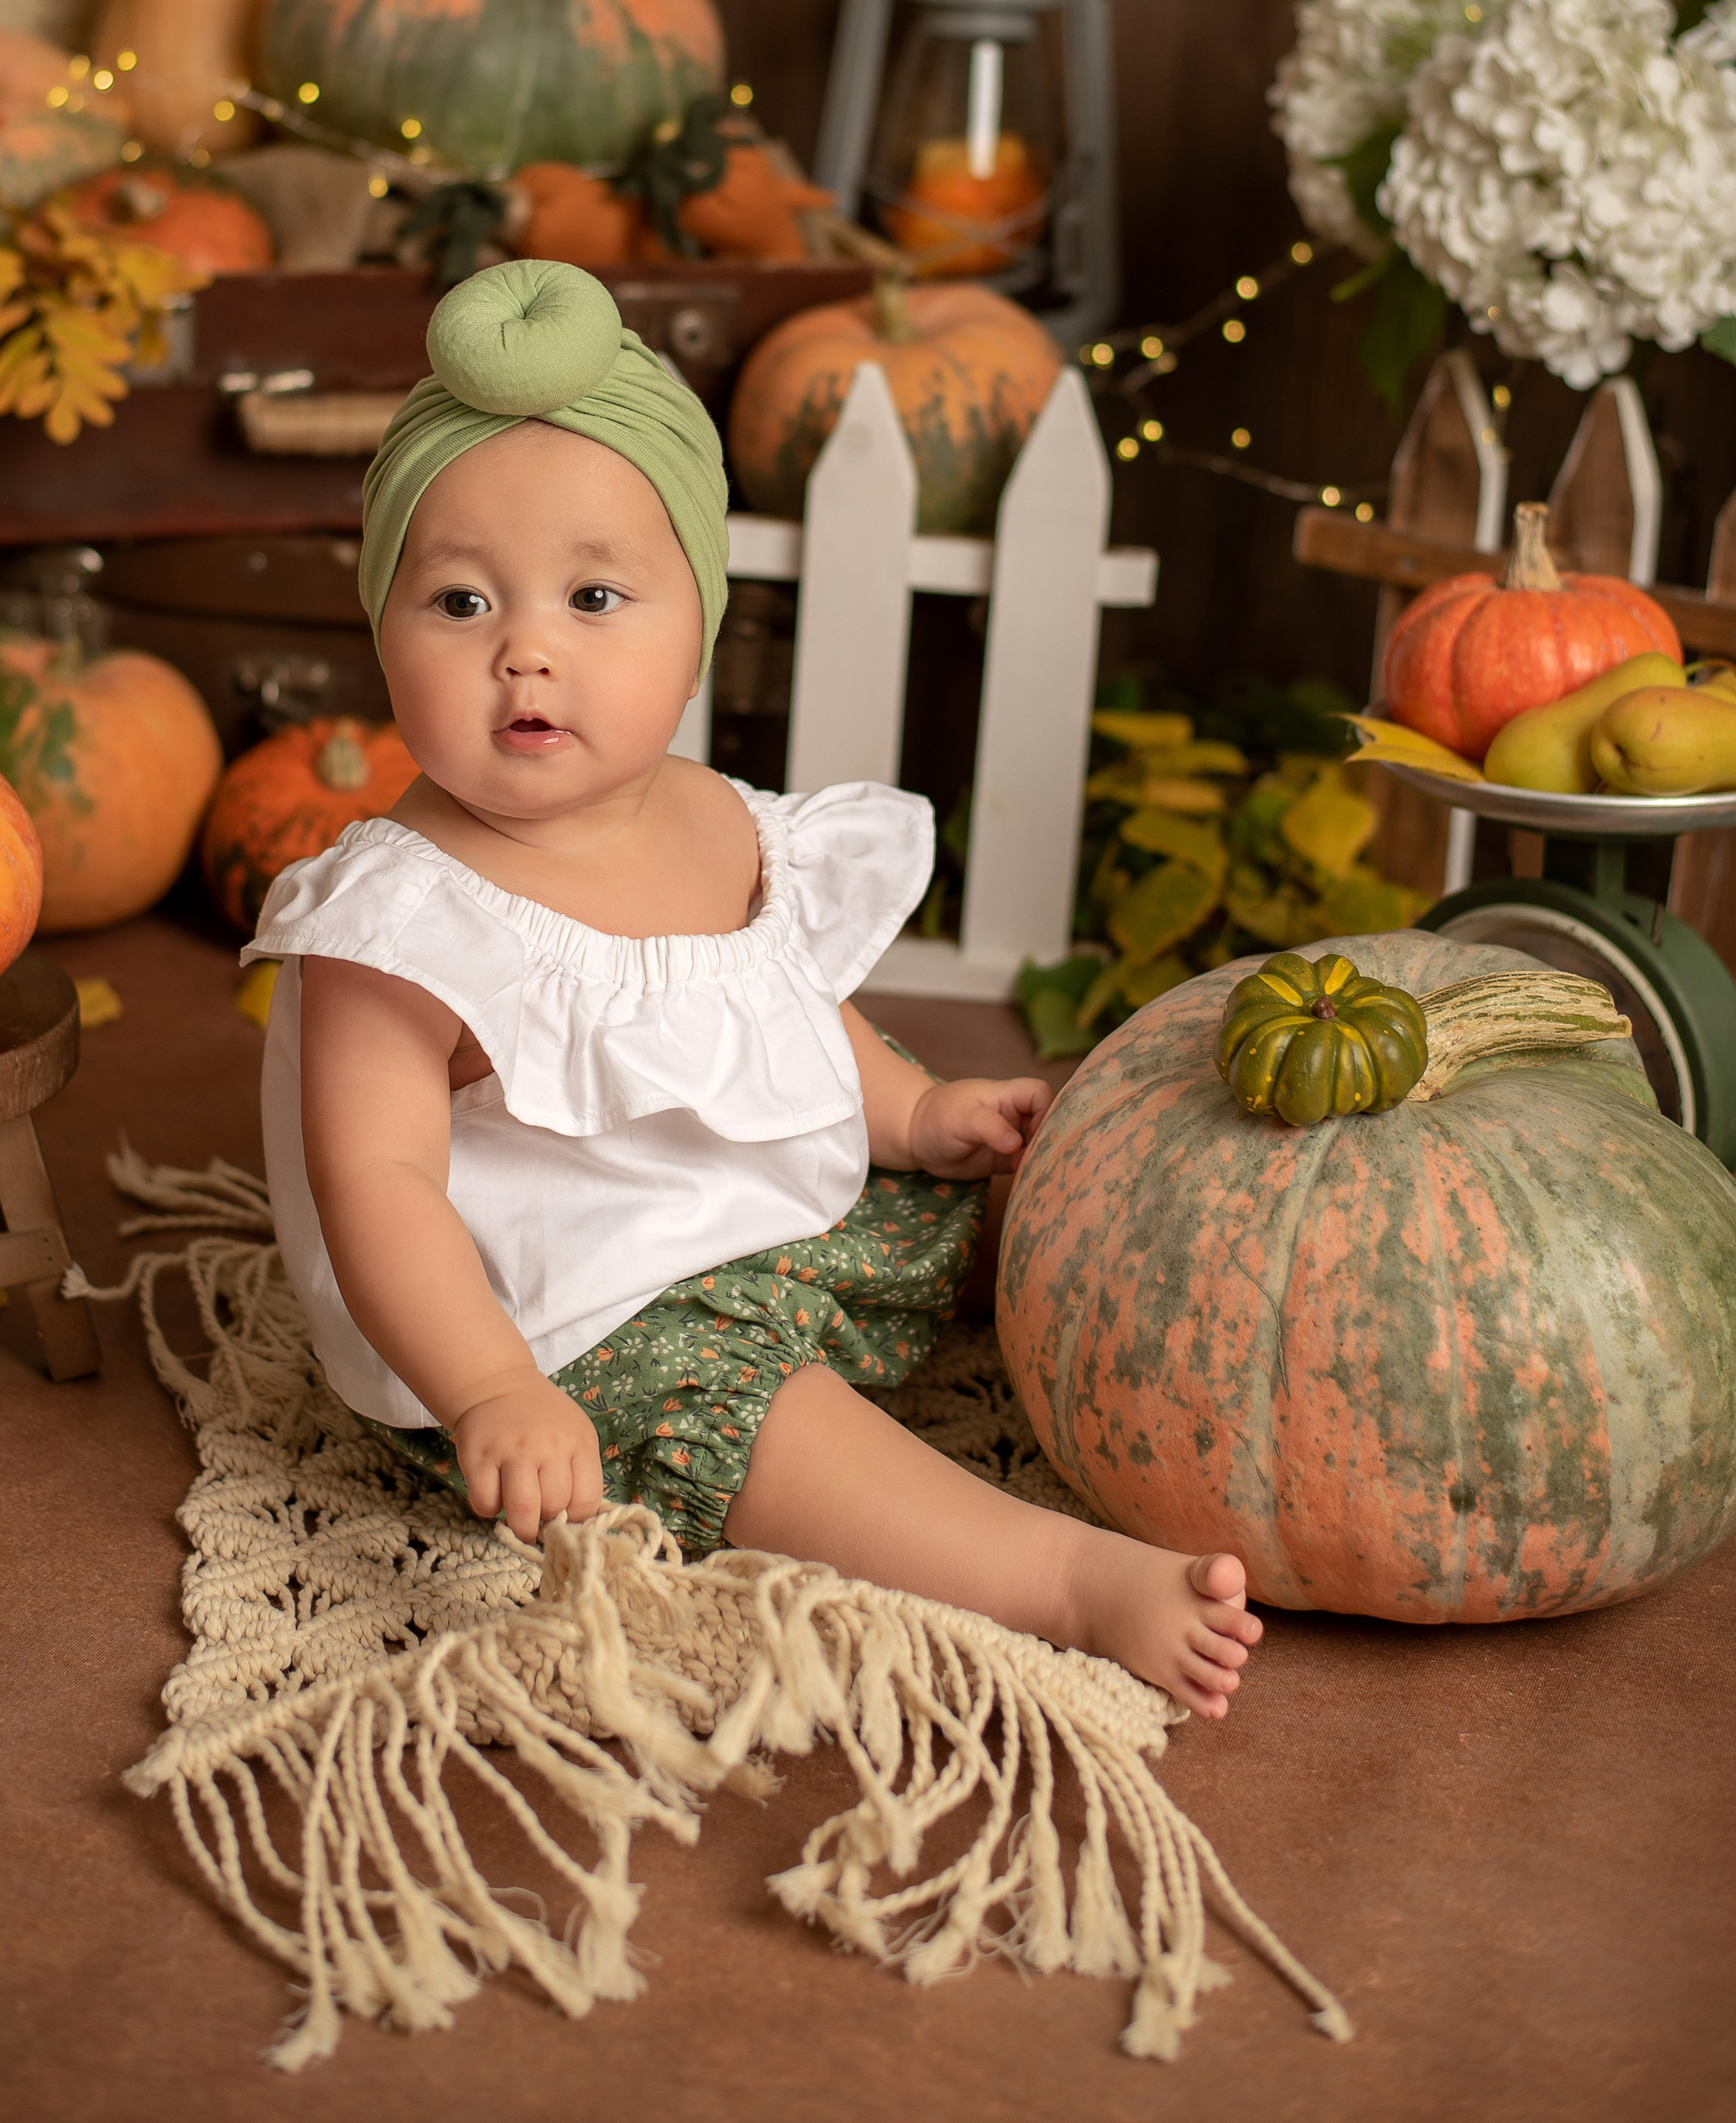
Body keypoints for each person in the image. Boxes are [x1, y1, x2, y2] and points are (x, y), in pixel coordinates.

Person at [247, 259, 1261, 1717]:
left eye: (596, 596)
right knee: (756, 1418)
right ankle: (1061, 1579)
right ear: (381, 627)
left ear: (699, 625)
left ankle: (1210, 1360)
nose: (526, 648)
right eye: (461, 600)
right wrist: (491, 1392)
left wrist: (914, 1112)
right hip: (557, 1319)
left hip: (726, 1218)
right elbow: (381, 1188)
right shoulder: (398, 921)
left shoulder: (716, 817)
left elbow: (776, 1004)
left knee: (991, 1198)